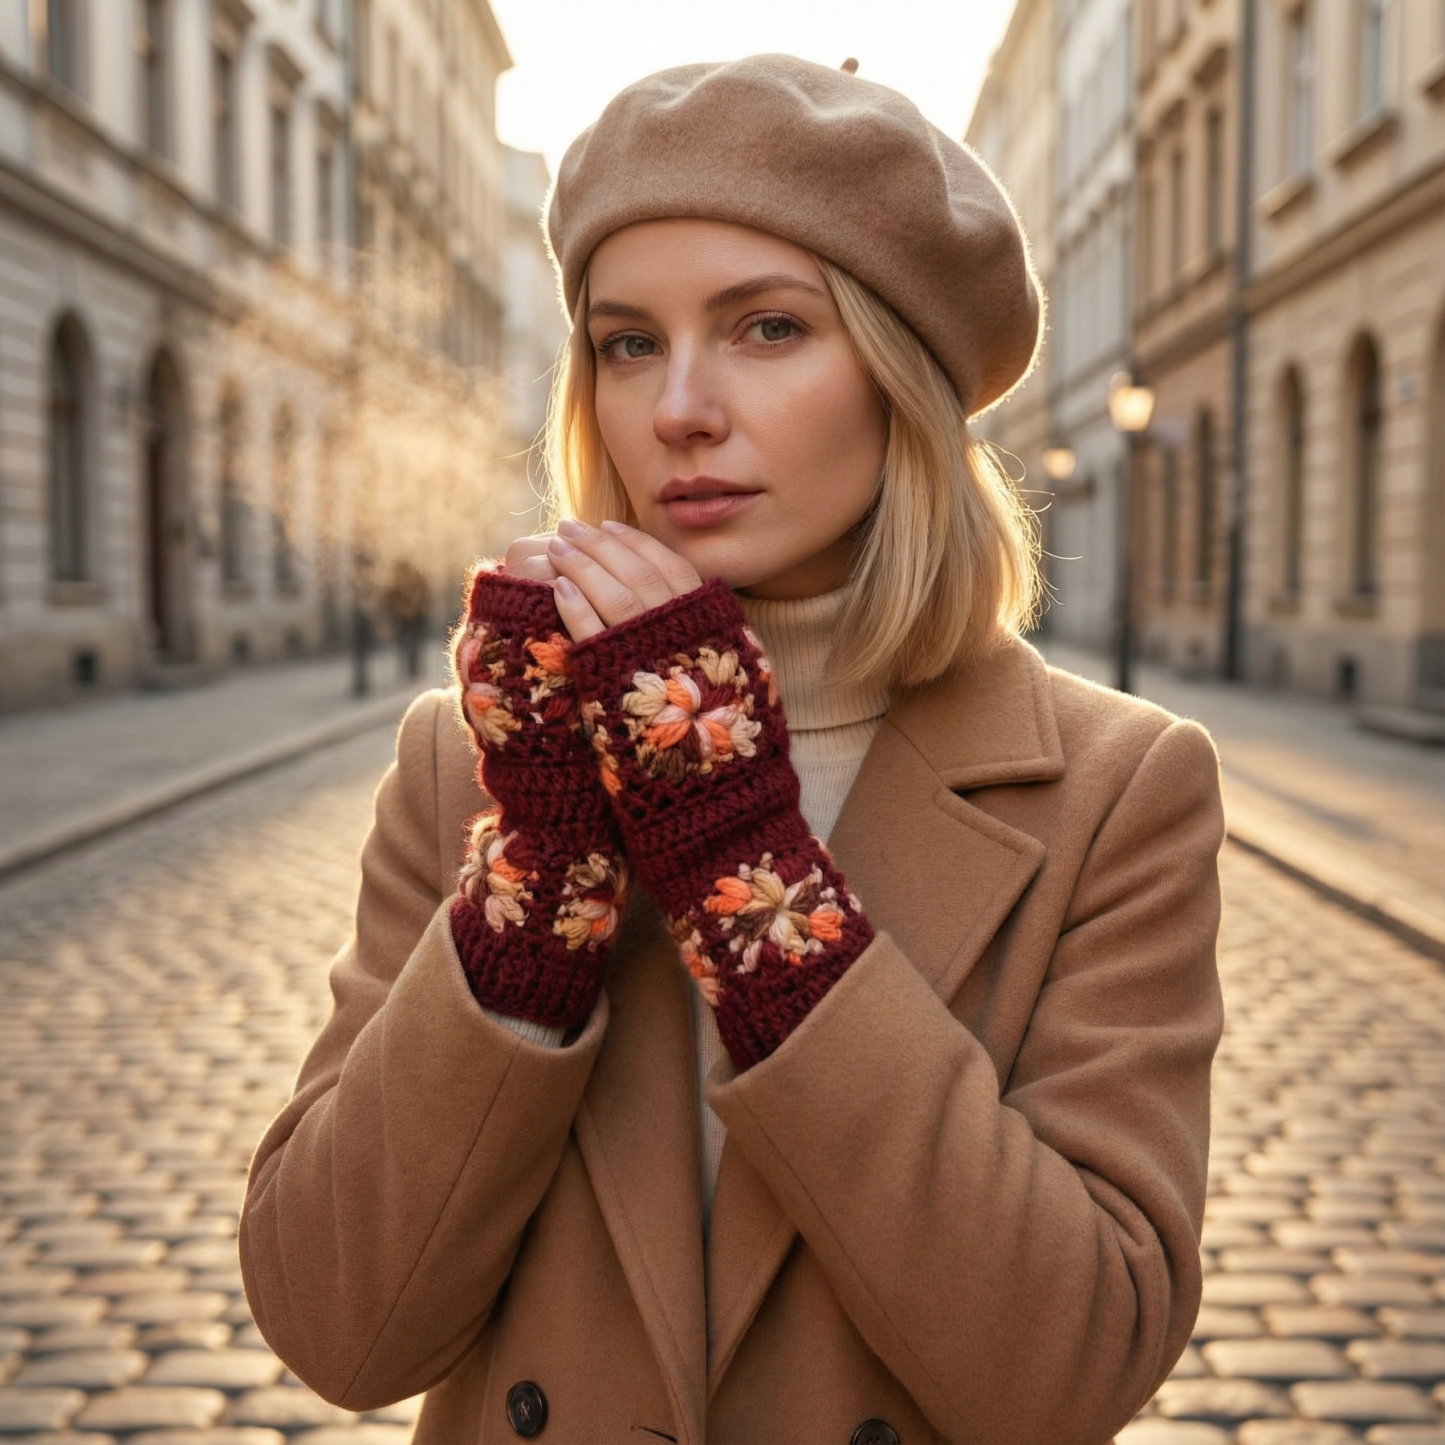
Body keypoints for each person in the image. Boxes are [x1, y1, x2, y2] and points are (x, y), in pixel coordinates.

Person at [240, 55, 1224, 1445]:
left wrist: (743, 859)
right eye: (628, 342)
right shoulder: (469, 763)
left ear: (905, 377)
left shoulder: (1120, 790)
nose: (679, 407)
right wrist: (540, 879)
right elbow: (341, 1325)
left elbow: (1063, 1374)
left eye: (767, 328)